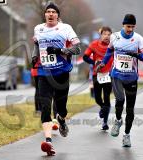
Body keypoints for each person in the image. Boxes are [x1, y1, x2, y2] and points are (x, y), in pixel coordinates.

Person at [32, 2, 81, 156]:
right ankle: (48, 142)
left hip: (61, 72)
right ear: (45, 15)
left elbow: (77, 48)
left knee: (61, 107)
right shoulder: (38, 29)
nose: (51, 14)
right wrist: (34, 57)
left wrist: (60, 50)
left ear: (58, 15)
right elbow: (37, 46)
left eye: (54, 12)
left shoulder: (66, 28)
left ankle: (61, 118)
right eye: (48, 12)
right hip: (44, 72)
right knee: (45, 106)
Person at [97, 14, 143, 147]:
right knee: (120, 100)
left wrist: (137, 55)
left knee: (130, 109)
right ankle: (117, 120)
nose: (130, 29)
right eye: (128, 26)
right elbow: (109, 51)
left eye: (132, 27)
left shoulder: (138, 38)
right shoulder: (114, 36)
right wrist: (103, 63)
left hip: (131, 77)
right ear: (123, 25)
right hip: (116, 75)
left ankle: (126, 135)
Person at [83, 26, 113, 131]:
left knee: (107, 97)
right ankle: (102, 108)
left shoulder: (113, 45)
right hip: (97, 74)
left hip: (109, 75)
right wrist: (93, 62)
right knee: (98, 99)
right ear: (101, 35)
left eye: (109, 34)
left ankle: (105, 122)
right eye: (105, 34)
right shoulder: (94, 44)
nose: (107, 36)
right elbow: (85, 57)